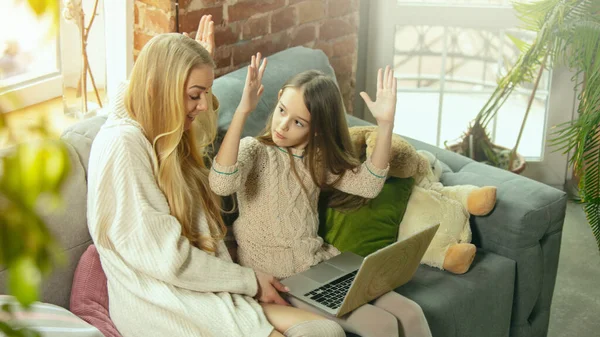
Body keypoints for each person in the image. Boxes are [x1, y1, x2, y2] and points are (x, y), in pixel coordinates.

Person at [86, 15, 345, 337]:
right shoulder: (123, 145)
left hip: (204, 283)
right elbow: (167, 260)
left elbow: (202, 138)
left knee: (325, 331)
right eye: (195, 95)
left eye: (206, 93)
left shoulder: (165, 130)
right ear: (160, 89)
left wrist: (191, 63)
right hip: (164, 300)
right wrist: (248, 280)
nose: (203, 105)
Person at [209, 54, 433, 337]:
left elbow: (368, 185)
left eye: (298, 122)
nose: (282, 126)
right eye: (281, 111)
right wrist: (243, 111)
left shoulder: (316, 159)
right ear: (278, 98)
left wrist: (386, 124)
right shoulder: (253, 150)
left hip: (321, 265)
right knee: (380, 324)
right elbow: (221, 183)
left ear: (317, 128)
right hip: (283, 279)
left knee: (411, 312)